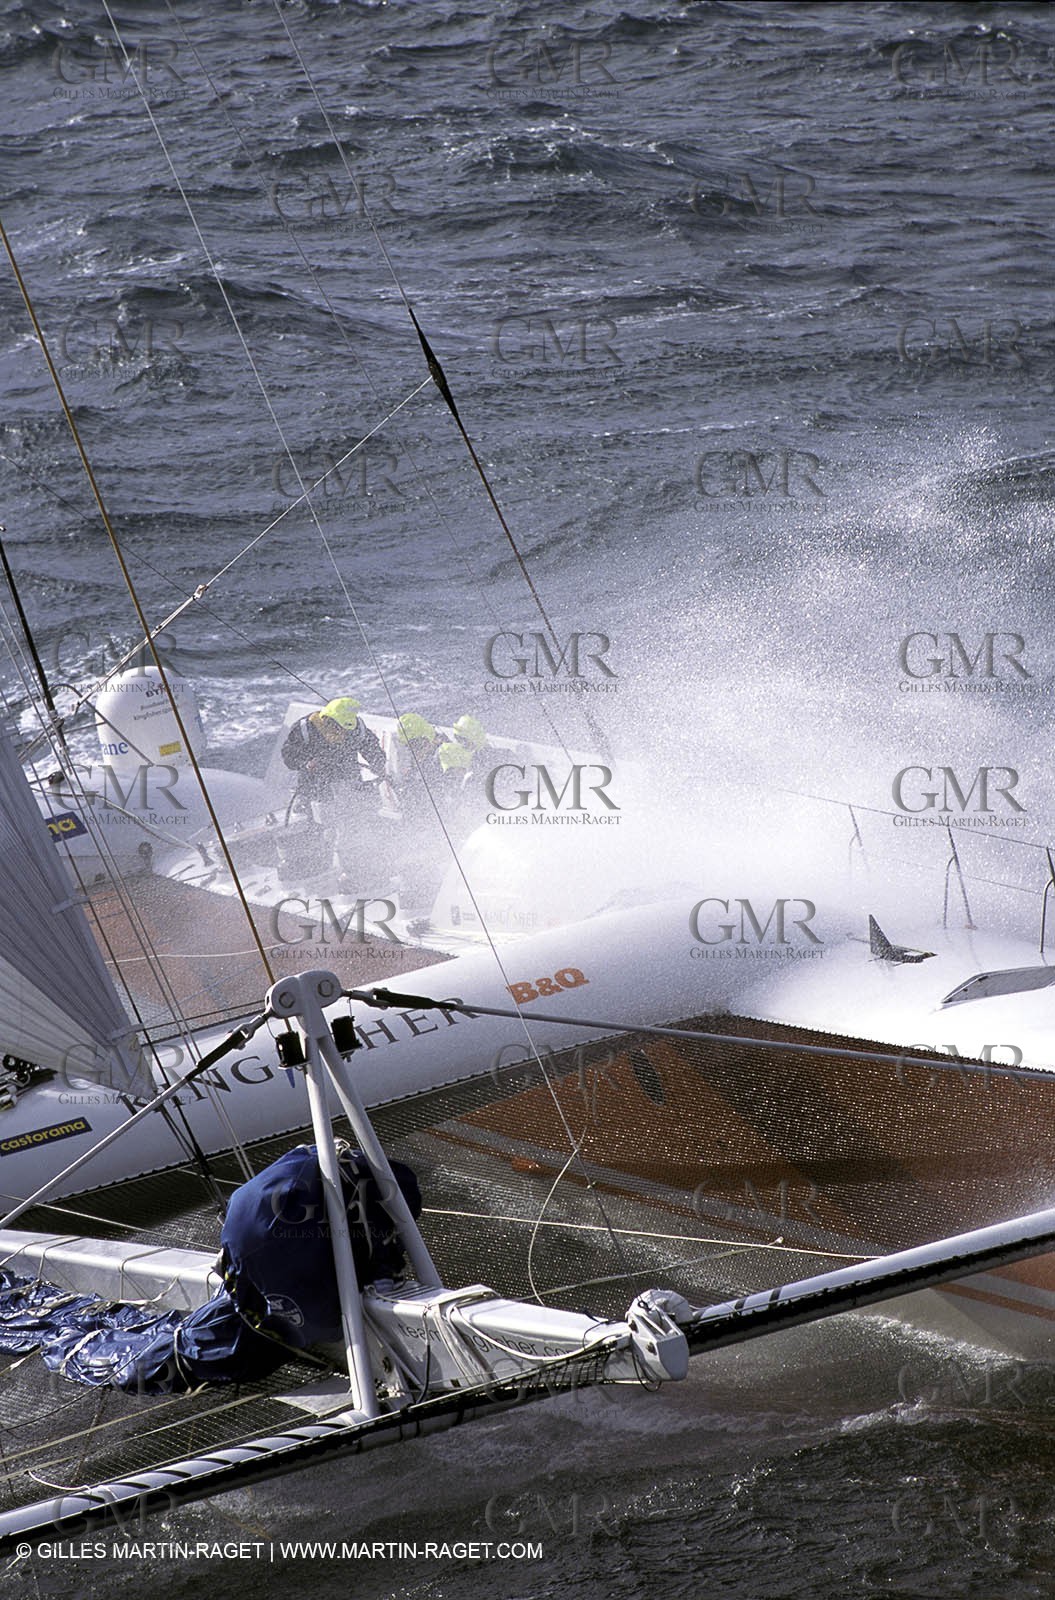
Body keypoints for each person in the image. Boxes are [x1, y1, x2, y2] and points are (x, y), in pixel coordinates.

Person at [281, 697, 386, 802]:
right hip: (314, 783)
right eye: (338, 727)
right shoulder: (305, 729)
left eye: (345, 729)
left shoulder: (356, 728)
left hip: (349, 780)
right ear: (327, 720)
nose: (342, 732)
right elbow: (289, 755)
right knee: (314, 805)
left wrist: (378, 763)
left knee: (358, 803)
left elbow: (371, 748)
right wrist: (306, 763)